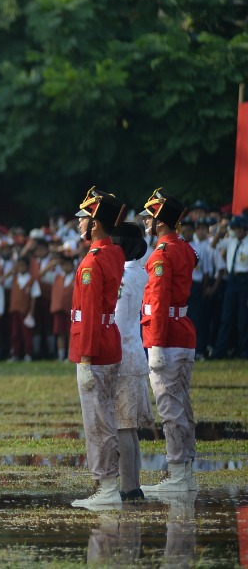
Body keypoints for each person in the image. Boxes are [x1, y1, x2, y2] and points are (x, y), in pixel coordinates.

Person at [68, 187, 126, 511]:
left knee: (97, 420)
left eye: (84, 219)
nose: (79, 224)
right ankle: (107, 483)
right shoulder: (113, 252)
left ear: (95, 225)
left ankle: (105, 485)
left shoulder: (93, 260)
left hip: (95, 346)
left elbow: (88, 313)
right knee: (105, 417)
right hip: (108, 339)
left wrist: (85, 357)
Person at [139, 188, 200, 495]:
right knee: (181, 405)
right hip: (182, 333)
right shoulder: (183, 248)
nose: (147, 222)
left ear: (160, 221)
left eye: (150, 216)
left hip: (168, 337)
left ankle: (178, 472)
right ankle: (185, 470)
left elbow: (160, 302)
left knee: (170, 408)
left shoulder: (163, 253)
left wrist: (157, 345)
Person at [111, 222, 154, 501]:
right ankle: (133, 483)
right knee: (131, 428)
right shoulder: (140, 272)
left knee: (122, 426)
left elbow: (116, 318)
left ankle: (128, 487)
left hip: (123, 353)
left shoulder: (124, 278)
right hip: (136, 350)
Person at [213, 215, 248, 359]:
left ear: (244, 229)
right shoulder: (231, 241)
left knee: (243, 318)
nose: (235, 231)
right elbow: (213, 245)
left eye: (237, 228)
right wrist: (221, 229)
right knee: (226, 317)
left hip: (244, 280)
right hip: (231, 280)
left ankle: (243, 351)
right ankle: (220, 351)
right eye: (234, 228)